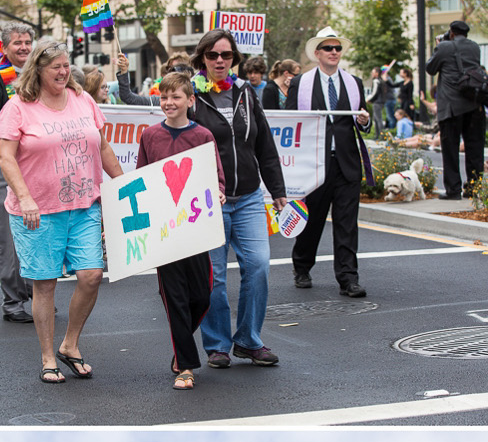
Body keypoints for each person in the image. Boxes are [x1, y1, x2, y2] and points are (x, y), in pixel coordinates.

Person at [0, 38, 123, 385]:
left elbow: (104, 146)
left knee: (92, 275)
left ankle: (71, 343)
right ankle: (48, 356)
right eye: (56, 67)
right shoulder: (19, 106)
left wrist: (125, 187)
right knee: (45, 285)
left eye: (66, 65)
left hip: (83, 206)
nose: (64, 72)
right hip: (38, 212)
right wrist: (25, 197)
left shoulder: (83, 100)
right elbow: (6, 157)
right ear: (38, 69)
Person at [190, 27, 286, 369]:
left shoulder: (246, 92)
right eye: (213, 55)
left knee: (258, 266)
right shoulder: (192, 95)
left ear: (235, 60)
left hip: (247, 198)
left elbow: (265, 146)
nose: (219, 60)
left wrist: (278, 192)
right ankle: (217, 344)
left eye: (226, 55)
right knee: (213, 277)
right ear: (202, 57)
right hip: (208, 201)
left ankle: (248, 340)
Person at [136, 72, 223, 389]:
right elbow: (141, 179)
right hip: (164, 232)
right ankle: (185, 365)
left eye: (176, 97)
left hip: (196, 228)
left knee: (201, 295)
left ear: (190, 101)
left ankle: (181, 343)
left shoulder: (202, 136)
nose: (169, 103)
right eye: (163, 97)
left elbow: (216, 175)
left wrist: (219, 191)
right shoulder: (150, 136)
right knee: (174, 298)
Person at [286, 28, 372, 298]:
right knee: (312, 220)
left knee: (347, 223)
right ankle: (302, 266)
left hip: (346, 163)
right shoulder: (301, 83)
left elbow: (363, 119)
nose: (334, 52)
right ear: (317, 53)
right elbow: (290, 122)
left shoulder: (354, 82)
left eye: (337, 48)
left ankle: (348, 278)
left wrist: (365, 122)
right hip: (314, 165)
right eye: (328, 48)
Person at [0, 21, 37, 322]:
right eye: (17, 42)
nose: (24, 47)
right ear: (5, 48)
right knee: (10, 236)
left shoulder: (40, 77)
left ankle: (37, 291)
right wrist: (20, 138)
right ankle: (13, 300)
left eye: (28, 41)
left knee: (40, 231)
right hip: (7, 166)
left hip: (38, 167)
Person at [426, 20, 485, 201]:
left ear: (451, 33)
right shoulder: (475, 47)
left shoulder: (444, 47)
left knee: (450, 149)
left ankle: (453, 190)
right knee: (474, 150)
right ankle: (474, 188)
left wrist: (440, 45)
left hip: (451, 107)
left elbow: (430, 68)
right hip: (474, 104)